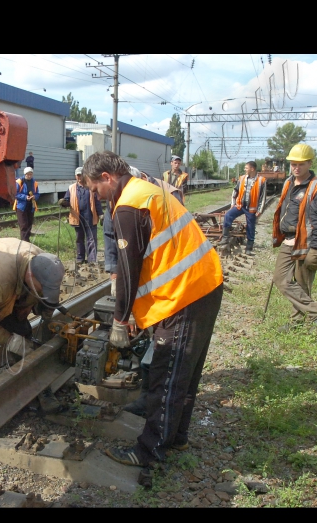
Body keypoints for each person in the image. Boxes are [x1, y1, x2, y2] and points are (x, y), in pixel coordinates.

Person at [83, 151, 224, 468]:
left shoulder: (129, 206)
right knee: (183, 376)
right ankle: (176, 438)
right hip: (202, 285)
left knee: (166, 377)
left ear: (107, 177)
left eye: (95, 189)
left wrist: (120, 320)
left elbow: (129, 269)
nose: (95, 196)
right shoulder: (145, 190)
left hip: (185, 295)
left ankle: (149, 453)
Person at [272, 143, 317, 330]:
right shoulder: (289, 182)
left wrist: (315, 249)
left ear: (309, 164)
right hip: (289, 240)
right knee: (281, 280)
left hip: (306, 242)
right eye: (293, 164)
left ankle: (297, 321)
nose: (296, 168)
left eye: (300, 164)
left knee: (302, 282)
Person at [221, 160, 267, 255]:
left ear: (252, 169)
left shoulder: (262, 180)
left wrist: (260, 210)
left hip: (251, 208)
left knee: (251, 226)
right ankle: (225, 237)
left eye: (246, 168)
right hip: (240, 206)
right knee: (228, 215)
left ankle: (249, 247)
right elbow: (235, 191)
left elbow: (263, 197)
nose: (245, 169)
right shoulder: (242, 178)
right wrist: (233, 203)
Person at [60, 166, 103, 264]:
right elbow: (67, 200)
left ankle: (92, 259)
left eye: (81, 175)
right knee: (79, 238)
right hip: (77, 217)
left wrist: (100, 214)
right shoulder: (71, 188)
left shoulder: (91, 187)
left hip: (90, 216)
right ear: (75, 176)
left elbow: (97, 201)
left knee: (91, 238)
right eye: (78, 175)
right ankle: (80, 258)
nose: (79, 177)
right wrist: (63, 202)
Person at [14, 167, 39, 242]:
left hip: (31, 206)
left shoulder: (34, 183)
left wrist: (35, 196)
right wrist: (25, 197)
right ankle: (24, 242)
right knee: (23, 225)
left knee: (29, 224)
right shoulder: (19, 182)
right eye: (28, 174)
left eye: (31, 174)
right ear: (25, 174)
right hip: (21, 206)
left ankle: (27, 240)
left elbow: (37, 193)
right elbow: (15, 193)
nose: (29, 176)